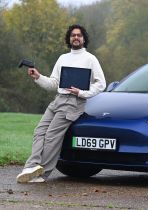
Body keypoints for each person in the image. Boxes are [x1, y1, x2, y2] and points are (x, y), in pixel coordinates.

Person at [16, 24, 106, 183]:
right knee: (39, 131)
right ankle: (31, 166)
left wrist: (82, 93)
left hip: (74, 102)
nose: (76, 37)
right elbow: (53, 84)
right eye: (73, 35)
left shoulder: (90, 59)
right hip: (58, 100)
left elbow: (101, 83)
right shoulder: (63, 58)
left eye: (79, 35)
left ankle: (41, 174)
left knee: (51, 136)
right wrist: (38, 76)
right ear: (69, 38)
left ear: (84, 39)